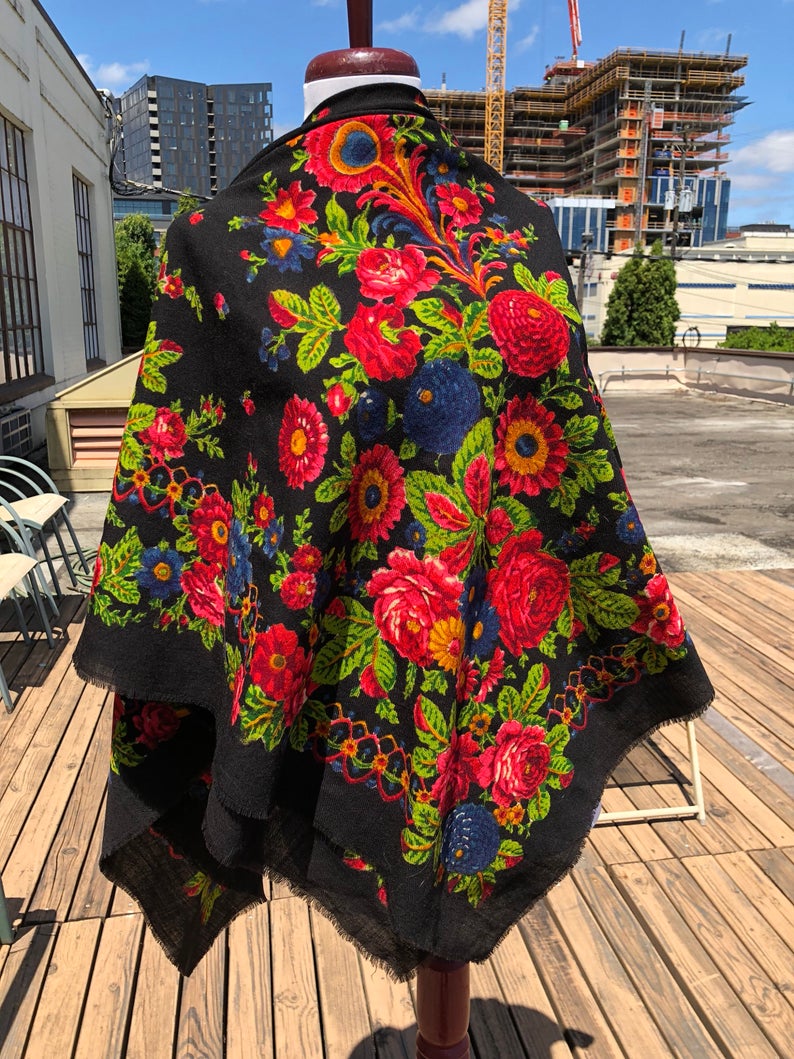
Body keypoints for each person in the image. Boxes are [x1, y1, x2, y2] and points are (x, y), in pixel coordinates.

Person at [74, 38, 713, 986]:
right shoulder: (217, 242)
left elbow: (569, 472)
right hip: (331, 667)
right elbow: (190, 480)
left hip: (498, 643)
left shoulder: (525, 227)